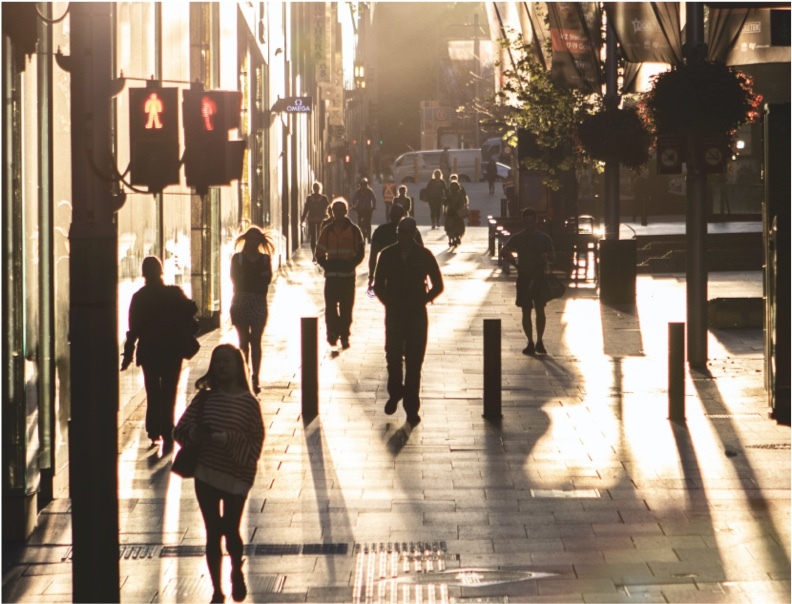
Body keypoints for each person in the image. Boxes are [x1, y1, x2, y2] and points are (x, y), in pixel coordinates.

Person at [173, 344, 264, 604]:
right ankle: (216, 590)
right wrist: (193, 435)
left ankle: (236, 570)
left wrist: (227, 439)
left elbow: (255, 439)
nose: (222, 366)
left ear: (238, 366)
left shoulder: (248, 403)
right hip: (207, 473)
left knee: (231, 529)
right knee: (213, 531)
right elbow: (180, 429)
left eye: (227, 361)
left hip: (237, 475)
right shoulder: (204, 399)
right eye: (218, 362)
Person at [122, 256, 198, 451]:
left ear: (144, 273)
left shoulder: (139, 297)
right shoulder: (173, 293)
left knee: (153, 391)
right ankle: (167, 428)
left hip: (149, 350)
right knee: (169, 390)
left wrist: (128, 353)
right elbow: (192, 308)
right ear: (161, 271)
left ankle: (153, 430)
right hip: (172, 349)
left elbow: (134, 329)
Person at [373, 217, 444, 427]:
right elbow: (378, 285)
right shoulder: (387, 254)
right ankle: (395, 393)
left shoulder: (424, 255)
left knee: (414, 362)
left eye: (405, 232)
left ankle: (411, 408)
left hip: (416, 314)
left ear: (413, 233)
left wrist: (423, 299)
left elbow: (438, 285)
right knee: (393, 356)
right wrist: (388, 302)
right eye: (399, 232)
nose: (401, 236)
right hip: (394, 313)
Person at [501, 208, 556, 356]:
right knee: (534, 310)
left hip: (533, 276)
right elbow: (552, 257)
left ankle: (535, 341)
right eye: (528, 222)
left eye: (531, 221)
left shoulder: (522, 238)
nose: (529, 224)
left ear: (534, 221)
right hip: (530, 276)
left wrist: (515, 263)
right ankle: (534, 341)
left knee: (535, 310)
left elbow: (504, 251)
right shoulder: (542, 238)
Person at [315, 198, 365, 349]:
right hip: (331, 277)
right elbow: (319, 252)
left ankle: (344, 335)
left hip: (347, 277)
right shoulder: (327, 230)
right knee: (330, 307)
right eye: (335, 210)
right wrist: (327, 265)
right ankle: (332, 333)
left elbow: (360, 252)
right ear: (332, 212)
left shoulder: (354, 230)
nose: (337, 213)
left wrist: (351, 265)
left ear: (345, 211)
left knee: (346, 307)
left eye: (340, 210)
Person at [230, 226, 274, 395]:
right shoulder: (237, 258)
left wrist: (248, 279)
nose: (253, 242)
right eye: (251, 239)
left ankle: (255, 376)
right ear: (246, 240)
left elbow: (267, 279)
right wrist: (255, 280)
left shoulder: (265, 259)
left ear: (260, 241)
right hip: (241, 301)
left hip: (258, 302)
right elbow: (234, 278)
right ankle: (244, 374)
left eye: (257, 239)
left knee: (255, 340)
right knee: (243, 341)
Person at [367, 204, 424, 294]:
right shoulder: (381, 231)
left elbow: (421, 254)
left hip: (409, 275)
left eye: (397, 216)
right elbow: (373, 255)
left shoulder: (381, 231)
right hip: (392, 276)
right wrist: (371, 276)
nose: (396, 219)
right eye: (394, 216)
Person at [301, 182, 330, 260]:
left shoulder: (309, 198)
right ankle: (320, 253)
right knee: (320, 236)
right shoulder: (323, 198)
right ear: (320, 189)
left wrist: (302, 219)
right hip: (321, 219)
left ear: (313, 189)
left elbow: (306, 209)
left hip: (311, 219)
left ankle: (313, 255)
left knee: (313, 237)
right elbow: (328, 208)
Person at [351, 177, 377, 243]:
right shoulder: (358, 192)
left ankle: (369, 237)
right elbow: (354, 198)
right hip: (360, 209)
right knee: (359, 222)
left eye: (365, 184)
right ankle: (359, 235)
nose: (363, 186)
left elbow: (373, 199)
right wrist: (353, 205)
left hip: (368, 209)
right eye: (362, 184)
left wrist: (373, 206)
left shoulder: (369, 191)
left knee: (368, 222)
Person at [444, 180, 468, 247]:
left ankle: (453, 239)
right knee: (455, 227)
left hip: (453, 213)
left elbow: (445, 203)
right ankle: (455, 239)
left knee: (451, 227)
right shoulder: (457, 195)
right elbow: (462, 203)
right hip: (454, 213)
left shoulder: (453, 195)